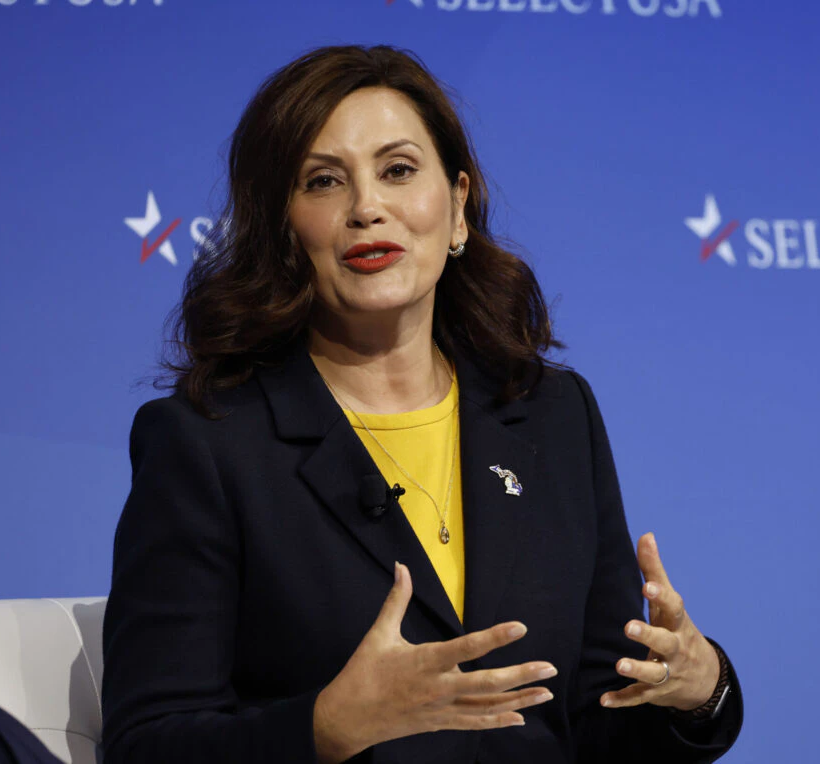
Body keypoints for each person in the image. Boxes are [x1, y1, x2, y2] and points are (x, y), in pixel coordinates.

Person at [101, 44, 743, 764]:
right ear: (282, 228)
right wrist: (328, 726)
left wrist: (699, 687)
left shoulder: (553, 415)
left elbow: (593, 724)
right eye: (322, 182)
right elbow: (146, 746)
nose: (367, 207)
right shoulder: (209, 444)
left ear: (458, 206)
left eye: (398, 170)